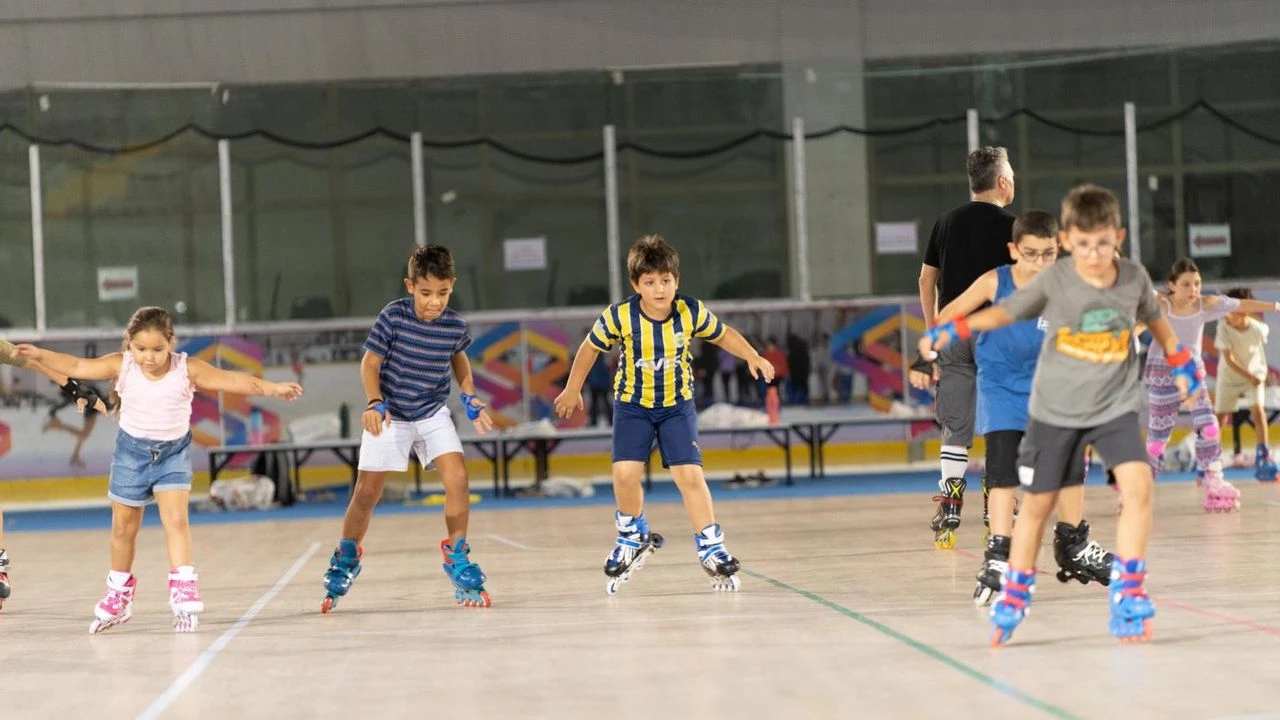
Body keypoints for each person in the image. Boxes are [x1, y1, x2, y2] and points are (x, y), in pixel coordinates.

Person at [923, 184, 1197, 645]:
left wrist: (1181, 365)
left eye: (1103, 243)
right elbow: (995, 312)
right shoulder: (1037, 280)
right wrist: (947, 330)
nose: (1092, 254)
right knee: (1024, 491)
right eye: (1083, 245)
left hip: (1094, 400)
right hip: (1033, 397)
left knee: (1127, 484)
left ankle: (1108, 574)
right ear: (1067, 241)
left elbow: (1157, 328)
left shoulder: (1120, 279)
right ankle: (1008, 572)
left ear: (1118, 238)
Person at [12, 307, 303, 633]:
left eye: (157, 350)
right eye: (140, 349)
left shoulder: (186, 369)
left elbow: (232, 380)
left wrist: (274, 388)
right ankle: (119, 593)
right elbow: (78, 366)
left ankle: (183, 585)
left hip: (172, 457)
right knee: (123, 529)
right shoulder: (121, 365)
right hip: (129, 457)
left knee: (176, 521)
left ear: (171, 343)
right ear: (130, 345)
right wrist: (39, 353)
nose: (148, 358)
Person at [552, 235, 774, 594]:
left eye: (666, 281)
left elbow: (723, 335)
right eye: (650, 282)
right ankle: (631, 534)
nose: (659, 289)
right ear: (636, 285)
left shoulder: (690, 311)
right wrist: (572, 388)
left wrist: (752, 356)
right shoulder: (620, 316)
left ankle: (711, 546)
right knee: (624, 474)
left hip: (676, 407)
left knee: (689, 475)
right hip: (633, 406)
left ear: (677, 281)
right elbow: (589, 348)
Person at [920, 209, 1113, 604]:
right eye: (1030, 254)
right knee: (1004, 475)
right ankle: (999, 555)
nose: (1039, 263)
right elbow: (949, 314)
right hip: (1003, 389)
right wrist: (928, 352)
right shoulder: (995, 281)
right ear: (1013, 250)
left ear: (1058, 250)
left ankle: (1073, 542)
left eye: (1046, 255)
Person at [321, 244, 495, 613]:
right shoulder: (394, 317)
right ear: (410, 285)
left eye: (443, 293)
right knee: (367, 493)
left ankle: (458, 554)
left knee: (458, 479)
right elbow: (370, 363)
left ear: (452, 286)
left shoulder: (453, 324)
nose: (435, 302)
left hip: (432, 412)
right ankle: (346, 556)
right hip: (391, 413)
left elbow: (458, 356)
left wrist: (469, 394)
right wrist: (373, 401)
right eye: (426, 293)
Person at [914, 146, 1018, 546]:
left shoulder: (946, 222)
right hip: (998, 333)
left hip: (954, 333)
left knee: (956, 423)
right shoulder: (1014, 227)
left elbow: (926, 282)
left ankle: (951, 504)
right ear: (1003, 181)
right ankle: (996, 505)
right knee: (998, 422)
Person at [1144, 259, 1279, 511]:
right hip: (1163, 372)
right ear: (1172, 286)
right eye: (1186, 284)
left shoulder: (1206, 304)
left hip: (1191, 373)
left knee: (1209, 427)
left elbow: (1243, 304)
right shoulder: (1161, 304)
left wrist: (1275, 305)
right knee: (1157, 440)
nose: (1193, 289)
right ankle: (1138, 486)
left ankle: (1214, 479)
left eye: (1197, 283)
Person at [1213, 287, 1275, 481]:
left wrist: (1261, 375)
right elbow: (1229, 359)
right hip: (1229, 377)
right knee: (1220, 417)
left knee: (1258, 412)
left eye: (1234, 310)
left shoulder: (1258, 329)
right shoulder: (1223, 327)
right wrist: (1249, 376)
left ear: (1245, 310)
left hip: (1254, 375)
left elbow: (1259, 354)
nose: (1229, 314)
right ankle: (1210, 458)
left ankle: (1263, 455)